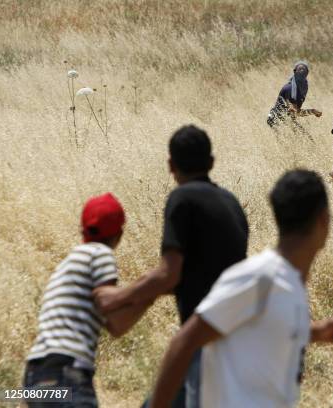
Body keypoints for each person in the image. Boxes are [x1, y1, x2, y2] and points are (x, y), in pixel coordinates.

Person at [149, 170, 333, 408]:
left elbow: (266, 329)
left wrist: (319, 332)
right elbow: (183, 343)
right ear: (324, 219)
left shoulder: (288, 282)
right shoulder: (259, 278)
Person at [93, 125, 249, 408]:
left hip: (206, 340)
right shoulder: (232, 203)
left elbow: (169, 273)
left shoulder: (183, 198)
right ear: (211, 163)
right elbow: (203, 272)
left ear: (170, 165)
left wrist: (118, 297)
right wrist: (146, 293)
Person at [24, 193, 148, 407]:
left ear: (82, 228)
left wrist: (148, 297)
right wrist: (152, 287)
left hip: (35, 375)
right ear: (119, 234)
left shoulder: (67, 264)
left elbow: (116, 327)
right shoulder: (100, 254)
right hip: (66, 372)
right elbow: (115, 318)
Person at [267, 61, 322, 136]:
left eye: (304, 70)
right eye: (300, 69)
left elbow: (293, 114)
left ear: (307, 73)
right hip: (276, 122)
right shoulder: (290, 89)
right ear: (294, 72)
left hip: (287, 120)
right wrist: (312, 111)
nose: (302, 71)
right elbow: (296, 112)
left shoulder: (304, 86)